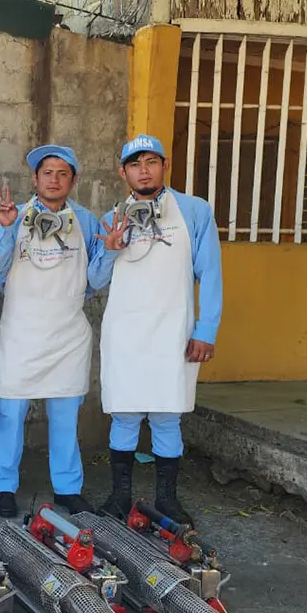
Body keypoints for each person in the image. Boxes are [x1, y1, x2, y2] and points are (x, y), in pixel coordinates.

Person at [91, 134, 224, 526]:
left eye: (151, 162)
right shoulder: (111, 217)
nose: (144, 171)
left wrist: (206, 329)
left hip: (173, 331)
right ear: (123, 173)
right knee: (125, 416)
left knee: (168, 417)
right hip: (125, 333)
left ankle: (167, 499)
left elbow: (210, 273)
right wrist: (111, 249)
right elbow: (94, 280)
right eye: (135, 164)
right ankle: (120, 497)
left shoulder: (194, 211)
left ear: (165, 165)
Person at [0, 145, 104, 518]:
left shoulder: (87, 221)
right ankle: (4, 487)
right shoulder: (13, 215)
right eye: (47, 172)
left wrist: (111, 253)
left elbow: (96, 279)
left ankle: (68, 488)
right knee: (10, 415)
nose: (54, 179)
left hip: (67, 336)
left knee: (65, 418)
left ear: (73, 180)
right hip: (20, 334)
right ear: (35, 178)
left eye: (62, 173)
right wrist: (5, 229)